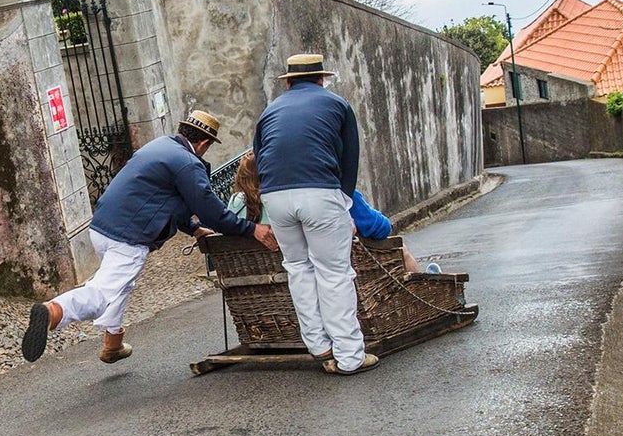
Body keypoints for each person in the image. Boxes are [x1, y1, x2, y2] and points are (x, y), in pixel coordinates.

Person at [21, 110, 278, 364]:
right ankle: (54, 311)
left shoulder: (159, 146)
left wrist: (193, 229)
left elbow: (167, 201)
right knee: (102, 294)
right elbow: (210, 210)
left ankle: (113, 344)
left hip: (101, 227)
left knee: (120, 284)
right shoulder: (188, 163)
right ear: (204, 143)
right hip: (129, 236)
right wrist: (251, 229)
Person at [253, 53, 378, 375]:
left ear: (289, 81)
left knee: (297, 268)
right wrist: (345, 204)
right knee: (334, 273)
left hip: (275, 196)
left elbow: (259, 155)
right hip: (319, 192)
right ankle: (350, 356)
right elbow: (349, 159)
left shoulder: (270, 111)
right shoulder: (337, 104)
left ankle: (319, 347)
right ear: (321, 79)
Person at [229, 151, 423, 273]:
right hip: (328, 266)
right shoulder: (325, 191)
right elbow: (382, 228)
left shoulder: (237, 203)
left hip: (261, 277)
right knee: (400, 249)